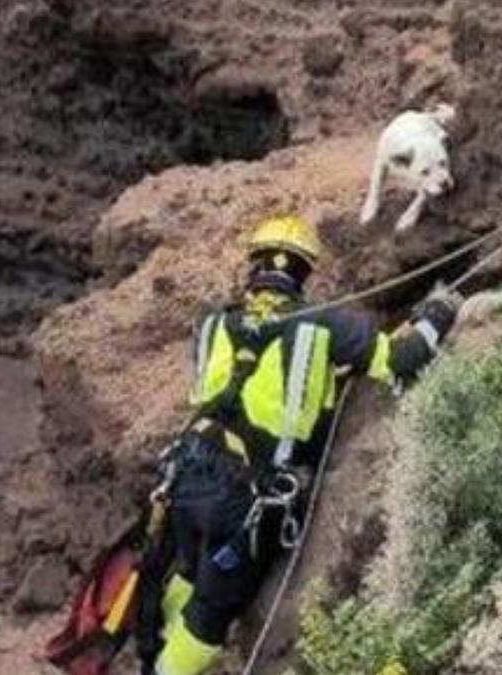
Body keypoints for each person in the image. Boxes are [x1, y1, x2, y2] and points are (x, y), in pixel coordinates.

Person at [147, 215, 462, 675]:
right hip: (241, 497)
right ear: (304, 272)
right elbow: (401, 360)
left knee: (189, 571)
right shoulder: (326, 325)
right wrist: (439, 315)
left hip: (185, 473)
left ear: (253, 268)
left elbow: (244, 379)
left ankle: (156, 653)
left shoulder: (212, 321)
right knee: (210, 620)